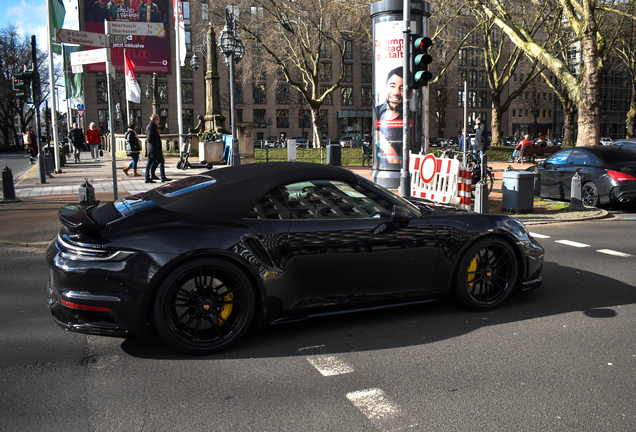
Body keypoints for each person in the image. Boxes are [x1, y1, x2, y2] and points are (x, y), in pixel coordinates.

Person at [375, 67, 406, 164]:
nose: (396, 92)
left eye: (402, 88)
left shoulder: (410, 119)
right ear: (385, 89)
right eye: (392, 86)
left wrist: (384, 143)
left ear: (410, 95)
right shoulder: (377, 111)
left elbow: (397, 161)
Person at [145, 114, 171, 183]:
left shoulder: (152, 126)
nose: (159, 121)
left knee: (157, 161)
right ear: (155, 120)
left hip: (155, 149)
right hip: (153, 149)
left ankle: (154, 176)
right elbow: (149, 138)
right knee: (152, 162)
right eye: (158, 120)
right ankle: (149, 177)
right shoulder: (151, 127)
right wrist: (157, 144)